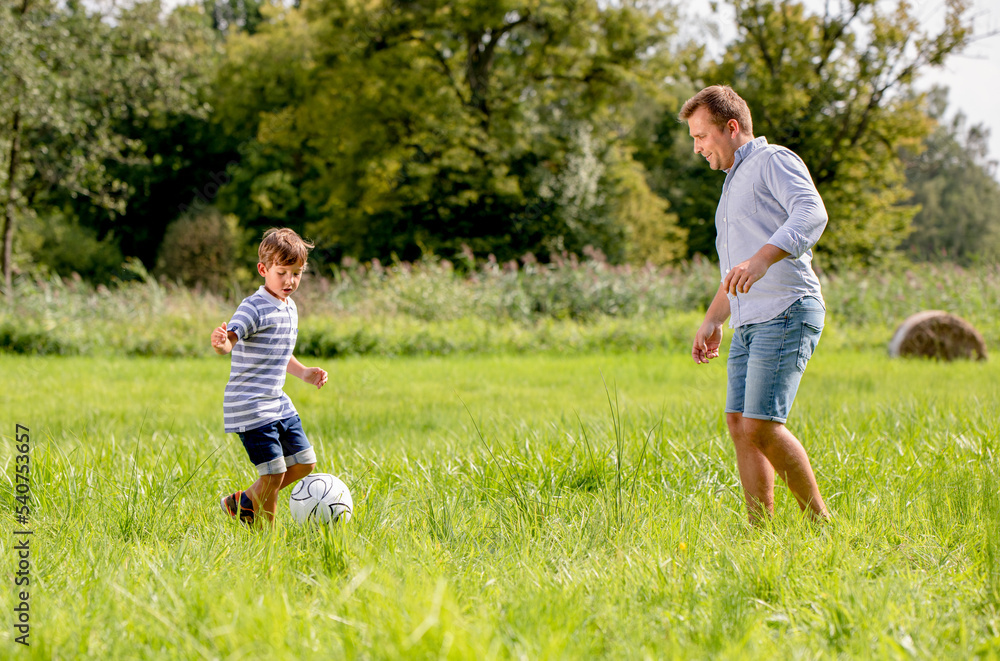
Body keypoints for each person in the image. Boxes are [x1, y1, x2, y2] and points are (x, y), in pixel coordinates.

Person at [679, 85, 831, 524]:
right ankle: (759, 533)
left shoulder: (773, 161)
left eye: (701, 136)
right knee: (740, 424)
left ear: (731, 127)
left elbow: (811, 212)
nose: (697, 148)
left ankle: (821, 525)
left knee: (762, 424)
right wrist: (713, 320)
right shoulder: (730, 188)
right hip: (750, 320)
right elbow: (736, 270)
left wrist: (764, 258)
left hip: (786, 308)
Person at [211, 228, 328, 526]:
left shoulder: (291, 308)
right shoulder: (254, 306)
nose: (289, 281)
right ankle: (266, 540)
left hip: (277, 401)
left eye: (296, 273)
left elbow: (279, 351)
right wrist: (223, 343)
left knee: (305, 462)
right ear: (263, 270)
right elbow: (232, 338)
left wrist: (304, 372)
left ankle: (243, 501)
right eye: (282, 272)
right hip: (251, 405)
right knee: (273, 473)